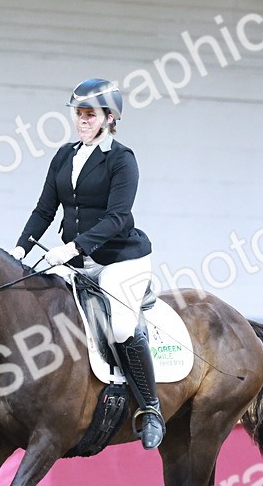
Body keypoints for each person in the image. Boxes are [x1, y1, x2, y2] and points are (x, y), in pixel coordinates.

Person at [10, 78, 165, 450]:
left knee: (123, 327)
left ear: (109, 118)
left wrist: (71, 248)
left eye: (89, 114)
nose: (81, 120)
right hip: (77, 257)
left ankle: (151, 409)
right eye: (78, 113)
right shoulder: (65, 155)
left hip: (120, 259)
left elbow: (118, 218)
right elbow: (45, 208)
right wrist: (19, 249)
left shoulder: (122, 159)